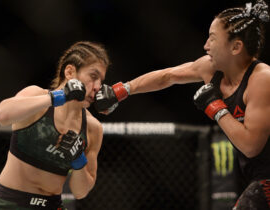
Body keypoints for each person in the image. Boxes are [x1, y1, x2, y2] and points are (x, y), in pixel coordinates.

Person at [94, 0, 270, 209]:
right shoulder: (211, 68)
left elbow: (251, 146)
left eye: (212, 39)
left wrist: (215, 107)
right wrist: (121, 91)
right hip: (256, 174)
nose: (205, 46)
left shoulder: (262, 80)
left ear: (236, 47)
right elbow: (168, 76)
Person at [0, 41, 110, 210]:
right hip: (10, 204)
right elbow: (2, 115)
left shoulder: (92, 128)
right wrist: (56, 97)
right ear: (70, 72)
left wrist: (78, 159)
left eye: (101, 81)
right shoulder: (37, 98)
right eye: (93, 76)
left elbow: (81, 191)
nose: (97, 87)